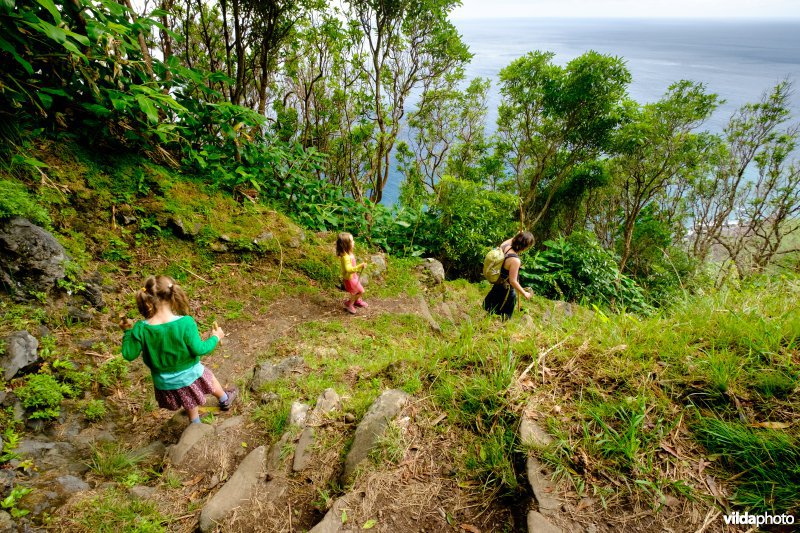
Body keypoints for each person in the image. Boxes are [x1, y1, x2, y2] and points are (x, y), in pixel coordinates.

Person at [120, 275, 237, 424]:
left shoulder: (141, 328)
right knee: (208, 377)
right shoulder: (185, 323)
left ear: (148, 299)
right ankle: (224, 399)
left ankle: (195, 423)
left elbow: (129, 355)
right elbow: (199, 349)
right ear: (173, 294)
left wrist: (128, 332)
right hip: (190, 375)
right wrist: (216, 337)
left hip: (164, 383)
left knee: (187, 394)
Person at [483, 231, 535, 319]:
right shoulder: (515, 260)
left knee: (491, 311)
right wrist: (524, 293)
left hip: (498, 284)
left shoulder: (505, 246)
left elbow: (513, 239)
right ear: (525, 247)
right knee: (504, 317)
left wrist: (519, 235)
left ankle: (487, 326)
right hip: (506, 292)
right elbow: (513, 281)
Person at [336, 232, 368, 314]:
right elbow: (349, 269)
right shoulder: (345, 257)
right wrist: (360, 266)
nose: (354, 242)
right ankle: (349, 304)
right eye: (352, 241)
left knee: (358, 291)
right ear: (346, 245)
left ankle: (357, 301)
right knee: (358, 292)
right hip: (349, 279)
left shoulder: (349, 253)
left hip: (353, 276)